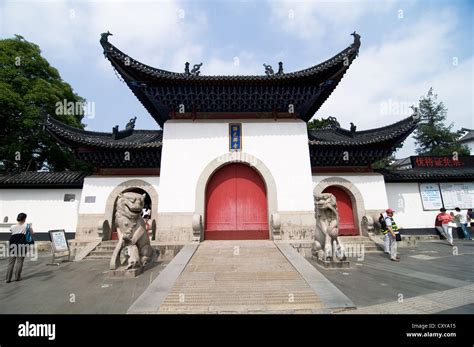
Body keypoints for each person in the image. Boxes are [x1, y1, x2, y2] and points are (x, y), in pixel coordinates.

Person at [6, 213, 34, 283]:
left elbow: (12, 233)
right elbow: (33, 233)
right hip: (22, 245)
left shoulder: (12, 226)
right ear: (24, 219)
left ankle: (8, 279)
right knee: (19, 262)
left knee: (11, 262)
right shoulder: (27, 226)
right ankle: (17, 277)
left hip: (13, 244)